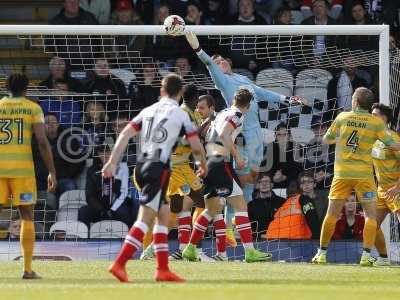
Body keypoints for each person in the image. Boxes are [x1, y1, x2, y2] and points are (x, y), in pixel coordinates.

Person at [184, 30, 305, 231]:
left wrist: (288, 99)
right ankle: (229, 224)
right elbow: (208, 62)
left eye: (222, 59)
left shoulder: (242, 79)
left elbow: (262, 92)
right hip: (244, 137)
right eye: (218, 61)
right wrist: (197, 47)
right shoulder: (222, 81)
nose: (221, 61)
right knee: (240, 183)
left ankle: (239, 226)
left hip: (257, 133)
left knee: (252, 181)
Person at [103, 73, 207, 283]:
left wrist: (112, 162)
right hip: (158, 168)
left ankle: (162, 269)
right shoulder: (179, 114)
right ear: (179, 93)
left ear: (161, 90)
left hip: (141, 167)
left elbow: (124, 135)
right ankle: (120, 263)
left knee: (164, 215)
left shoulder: (148, 110)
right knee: (145, 219)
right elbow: (196, 145)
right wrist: (202, 165)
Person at [311, 87, 400, 266]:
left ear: (355, 101)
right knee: (370, 217)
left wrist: (342, 138)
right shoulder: (376, 124)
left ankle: (321, 254)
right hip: (365, 177)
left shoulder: (342, 117)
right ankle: (367, 256)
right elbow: (394, 145)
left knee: (332, 214)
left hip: (342, 174)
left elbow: (327, 139)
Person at [182, 88, 271, 262]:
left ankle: (190, 249)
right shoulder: (237, 115)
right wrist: (237, 156)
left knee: (211, 209)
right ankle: (250, 252)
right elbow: (223, 134)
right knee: (240, 206)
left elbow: (208, 135)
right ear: (250, 104)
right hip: (220, 163)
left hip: (209, 161)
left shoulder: (223, 112)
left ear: (233, 100)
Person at [0, 73, 57, 279]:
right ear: (27, 89)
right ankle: (26, 269)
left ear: (6, 87)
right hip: (22, 171)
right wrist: (51, 171)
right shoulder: (33, 108)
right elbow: (42, 142)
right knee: (26, 216)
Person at [371, 103, 400, 266]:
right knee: (371, 225)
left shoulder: (393, 138)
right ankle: (383, 258)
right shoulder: (373, 139)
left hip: (396, 189)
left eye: (375, 114)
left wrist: (397, 187)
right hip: (381, 191)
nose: (372, 117)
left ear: (384, 118)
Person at [78, 145, 133, 229]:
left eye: (107, 152)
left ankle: (129, 238)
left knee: (125, 212)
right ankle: (85, 238)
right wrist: (102, 210)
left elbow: (123, 193)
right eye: (101, 153)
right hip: (99, 208)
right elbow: (89, 196)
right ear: (97, 155)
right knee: (83, 211)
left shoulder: (122, 168)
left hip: (117, 206)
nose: (105, 155)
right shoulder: (92, 171)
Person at [267, 171, 321, 240]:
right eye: (303, 182)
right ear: (299, 186)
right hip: (294, 240)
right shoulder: (304, 199)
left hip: (271, 241)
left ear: (315, 184)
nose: (306, 185)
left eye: (309, 182)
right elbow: (312, 218)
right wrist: (319, 241)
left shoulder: (284, 204)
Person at [248, 173, 285, 238]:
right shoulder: (251, 205)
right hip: (259, 241)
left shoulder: (282, 202)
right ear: (257, 185)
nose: (264, 184)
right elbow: (249, 227)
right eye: (260, 182)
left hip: (280, 239)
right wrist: (261, 236)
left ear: (272, 184)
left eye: (267, 181)